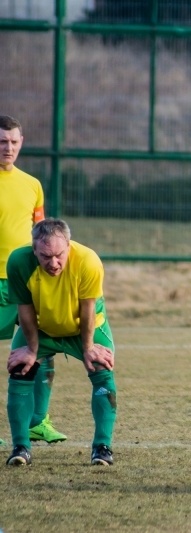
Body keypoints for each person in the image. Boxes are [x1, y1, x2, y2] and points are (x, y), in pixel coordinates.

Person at [5, 218, 116, 466]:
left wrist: (88, 348)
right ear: (34, 249)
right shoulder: (19, 262)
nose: (53, 263)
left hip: (84, 327)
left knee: (102, 368)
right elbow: (24, 309)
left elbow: (87, 309)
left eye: (59, 255)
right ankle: (20, 447)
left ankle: (102, 448)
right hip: (40, 327)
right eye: (45, 256)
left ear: (68, 245)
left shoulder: (88, 261)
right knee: (20, 368)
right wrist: (31, 349)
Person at [0, 115, 67, 446]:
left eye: (13, 141)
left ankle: (38, 421)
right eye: (2, 141)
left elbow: (40, 236)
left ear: (22, 142)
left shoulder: (32, 184)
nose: (8, 147)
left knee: (42, 349)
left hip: (28, 283)